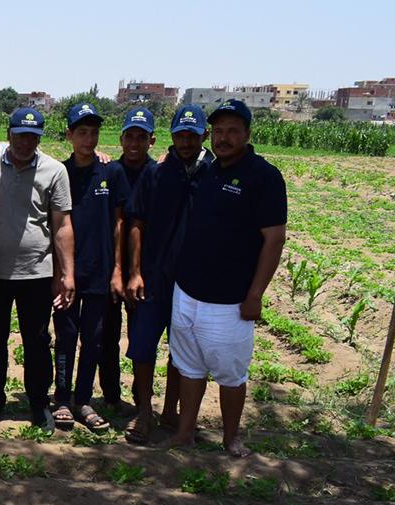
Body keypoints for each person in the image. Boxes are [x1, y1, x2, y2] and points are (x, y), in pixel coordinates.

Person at [159, 100, 287, 457]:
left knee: (230, 374)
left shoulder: (263, 177)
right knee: (189, 367)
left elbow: (274, 239)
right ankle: (185, 433)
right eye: (218, 131)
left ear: (247, 134)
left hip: (229, 301)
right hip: (188, 293)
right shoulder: (209, 171)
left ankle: (232, 438)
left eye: (233, 131)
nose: (224, 138)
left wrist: (256, 294)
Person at [0, 108, 74, 432]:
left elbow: (61, 225)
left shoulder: (54, 170)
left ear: (39, 138)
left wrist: (66, 274)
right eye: (20, 135)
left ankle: (37, 402)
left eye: (32, 137)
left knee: (36, 340)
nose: (25, 142)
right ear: (8, 134)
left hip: (36, 272)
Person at [123, 105, 213, 445]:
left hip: (194, 284)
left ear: (204, 135)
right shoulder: (156, 174)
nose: (186, 141)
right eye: (180, 135)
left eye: (192, 135)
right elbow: (136, 224)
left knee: (184, 352)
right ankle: (144, 409)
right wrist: (134, 272)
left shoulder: (213, 174)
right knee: (143, 347)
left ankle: (171, 411)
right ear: (172, 137)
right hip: (153, 277)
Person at [51, 104, 131, 432]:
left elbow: (119, 223)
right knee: (66, 334)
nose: (88, 139)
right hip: (67, 271)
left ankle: (84, 400)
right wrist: (57, 273)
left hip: (100, 270)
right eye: (81, 132)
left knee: (94, 337)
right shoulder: (59, 173)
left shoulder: (111, 173)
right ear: (69, 134)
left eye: (94, 132)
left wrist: (117, 270)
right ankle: (61, 399)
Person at [99, 107, 157, 416]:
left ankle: (141, 400)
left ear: (152, 140)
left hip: (146, 269)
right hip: (111, 267)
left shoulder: (160, 172)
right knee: (107, 335)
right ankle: (111, 396)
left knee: (141, 338)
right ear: (121, 139)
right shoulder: (108, 170)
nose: (134, 143)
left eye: (141, 137)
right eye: (129, 136)